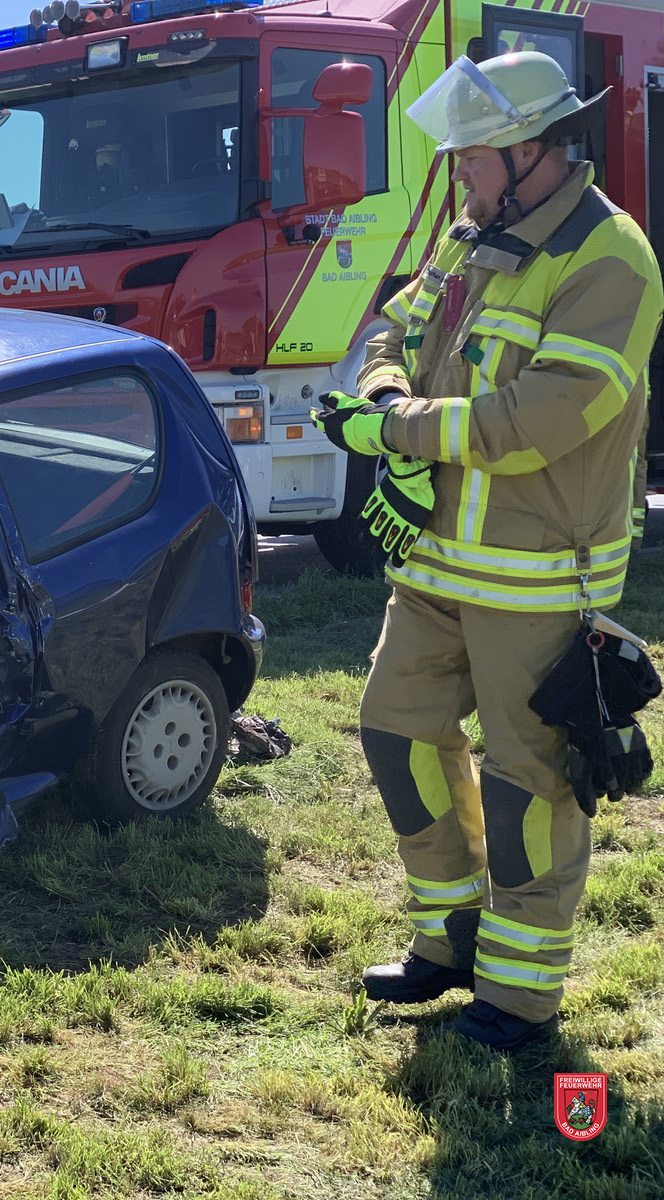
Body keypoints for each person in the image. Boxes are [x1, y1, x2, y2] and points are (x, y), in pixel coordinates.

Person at [312, 51, 662, 1050]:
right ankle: (450, 942)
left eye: (468, 157)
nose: (456, 176)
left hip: (538, 583)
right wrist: (383, 392)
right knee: (395, 735)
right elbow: (391, 326)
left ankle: (517, 1000)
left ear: (528, 149)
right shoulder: (474, 238)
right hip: (433, 571)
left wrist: (396, 432)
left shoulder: (610, 259)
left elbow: (539, 418)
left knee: (527, 789)